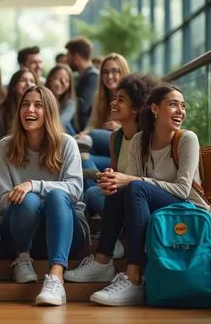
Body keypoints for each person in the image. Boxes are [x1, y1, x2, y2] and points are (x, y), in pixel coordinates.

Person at [83, 84, 209, 306]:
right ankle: (102, 262)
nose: (180, 111)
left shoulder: (187, 139)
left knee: (134, 186)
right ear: (155, 109)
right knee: (119, 186)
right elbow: (129, 185)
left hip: (187, 209)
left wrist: (133, 180)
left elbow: (182, 190)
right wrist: (113, 179)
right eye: (173, 105)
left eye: (183, 106)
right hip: (157, 205)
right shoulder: (141, 140)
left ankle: (134, 279)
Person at [0, 86, 87, 306]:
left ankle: (56, 278)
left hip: (66, 234)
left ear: (50, 112)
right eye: (25, 104)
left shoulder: (67, 143)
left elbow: (75, 189)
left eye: (38, 105)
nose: (30, 109)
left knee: (56, 196)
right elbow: (0, 203)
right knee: (30, 200)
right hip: (22, 235)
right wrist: (27, 197)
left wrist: (32, 185)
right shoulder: (5, 146)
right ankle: (22, 258)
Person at [64, 74, 159, 280]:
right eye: (115, 98)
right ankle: (104, 257)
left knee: (103, 190)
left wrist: (121, 180)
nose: (113, 103)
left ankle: (116, 259)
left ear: (136, 108)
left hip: (144, 202)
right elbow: (117, 171)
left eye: (121, 100)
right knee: (92, 192)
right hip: (122, 199)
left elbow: (151, 181)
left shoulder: (150, 138)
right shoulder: (115, 138)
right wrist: (109, 177)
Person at [75, 53, 130, 171]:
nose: (109, 76)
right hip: (107, 153)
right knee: (82, 156)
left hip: (126, 149)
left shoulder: (132, 97)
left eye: (115, 71)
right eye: (105, 72)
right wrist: (83, 134)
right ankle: (94, 188)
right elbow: (92, 123)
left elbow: (139, 130)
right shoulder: (99, 97)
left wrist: (120, 127)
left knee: (94, 135)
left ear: (123, 72)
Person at [65, 37, 98, 132]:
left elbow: (83, 106)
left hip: (87, 130)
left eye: (68, 56)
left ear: (76, 57)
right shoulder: (79, 77)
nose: (66, 60)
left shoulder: (93, 76)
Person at [45, 64, 76, 132]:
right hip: (48, 132)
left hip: (67, 135)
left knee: (65, 124)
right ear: (50, 79)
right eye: (58, 79)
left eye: (67, 80)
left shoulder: (70, 103)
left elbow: (62, 121)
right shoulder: (41, 98)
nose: (63, 83)